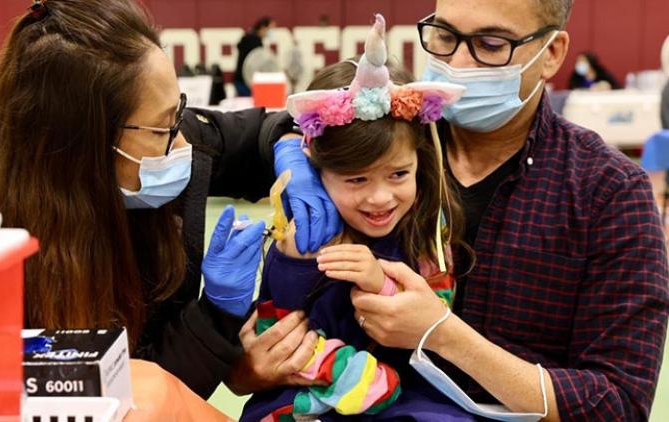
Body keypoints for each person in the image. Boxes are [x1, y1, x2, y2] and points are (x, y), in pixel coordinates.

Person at [0, 0, 339, 404]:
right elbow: (132, 401)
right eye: (163, 127)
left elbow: (255, 135)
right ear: (85, 145)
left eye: (177, 114)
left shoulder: (168, 142)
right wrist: (216, 315)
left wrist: (289, 146)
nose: (183, 144)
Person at [335, 1, 666, 420]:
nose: (457, 63)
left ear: (552, 53)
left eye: (490, 45)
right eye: (444, 36)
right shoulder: (388, 142)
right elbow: (242, 137)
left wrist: (444, 336)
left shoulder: (609, 193)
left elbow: (618, 404)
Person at [241, 15, 476, 421]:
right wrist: (357, 378)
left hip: (410, 394)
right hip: (312, 390)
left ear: (420, 161)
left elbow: (436, 315)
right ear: (315, 170)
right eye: (356, 179)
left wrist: (380, 284)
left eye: (399, 174)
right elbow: (278, 337)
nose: (380, 197)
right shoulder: (302, 240)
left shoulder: (427, 229)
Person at [234, 16, 276, 96]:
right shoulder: (254, 41)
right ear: (263, 27)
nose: (272, 31)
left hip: (242, 80)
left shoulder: (249, 37)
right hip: (245, 82)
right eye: (271, 28)